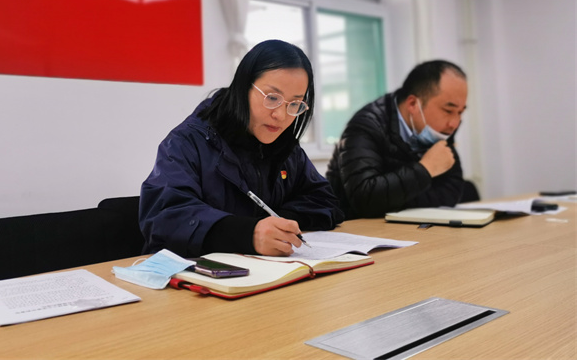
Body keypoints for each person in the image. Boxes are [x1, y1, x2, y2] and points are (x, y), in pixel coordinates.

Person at [139, 40, 344, 258]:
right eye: (272, 98)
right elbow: (164, 219)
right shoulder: (188, 142)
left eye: (294, 104)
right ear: (243, 87)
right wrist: (247, 234)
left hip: (269, 270)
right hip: (190, 272)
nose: (281, 115)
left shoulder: (286, 147)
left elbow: (324, 200)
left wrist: (279, 223)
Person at [326, 60, 478, 219]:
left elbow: (451, 192)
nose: (454, 123)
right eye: (448, 110)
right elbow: (365, 199)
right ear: (413, 104)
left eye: (460, 112)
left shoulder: (442, 128)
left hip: (407, 225)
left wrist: (396, 200)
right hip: (352, 227)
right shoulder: (366, 125)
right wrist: (426, 169)